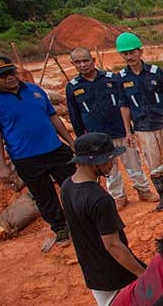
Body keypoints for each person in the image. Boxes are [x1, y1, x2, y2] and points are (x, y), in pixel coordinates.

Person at [61, 133, 146, 306]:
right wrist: (141, 272)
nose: (113, 163)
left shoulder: (67, 186)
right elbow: (113, 245)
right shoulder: (99, 199)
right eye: (109, 159)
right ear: (93, 162)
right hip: (108, 269)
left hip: (89, 262)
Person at [0, 55, 75, 247]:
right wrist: (2, 166)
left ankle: (81, 219)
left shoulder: (35, 91)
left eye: (11, 72)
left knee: (75, 185)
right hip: (26, 158)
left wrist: (71, 143)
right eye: (2, 75)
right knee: (44, 195)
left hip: (54, 149)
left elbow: (54, 118)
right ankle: (60, 227)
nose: (9, 77)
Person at [66, 47, 154, 209]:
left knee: (133, 163)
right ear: (72, 64)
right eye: (78, 62)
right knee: (109, 170)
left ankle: (143, 190)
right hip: (97, 137)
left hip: (120, 130)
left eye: (86, 60)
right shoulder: (73, 87)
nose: (83, 65)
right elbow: (75, 116)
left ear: (93, 60)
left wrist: (131, 129)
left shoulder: (111, 78)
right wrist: (81, 139)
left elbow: (125, 103)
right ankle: (119, 197)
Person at [115, 31, 163, 210]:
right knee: (153, 163)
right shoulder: (121, 78)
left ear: (140, 52)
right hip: (142, 127)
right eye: (125, 53)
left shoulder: (155, 72)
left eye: (132, 52)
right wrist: (128, 131)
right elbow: (124, 106)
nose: (129, 57)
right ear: (121, 55)